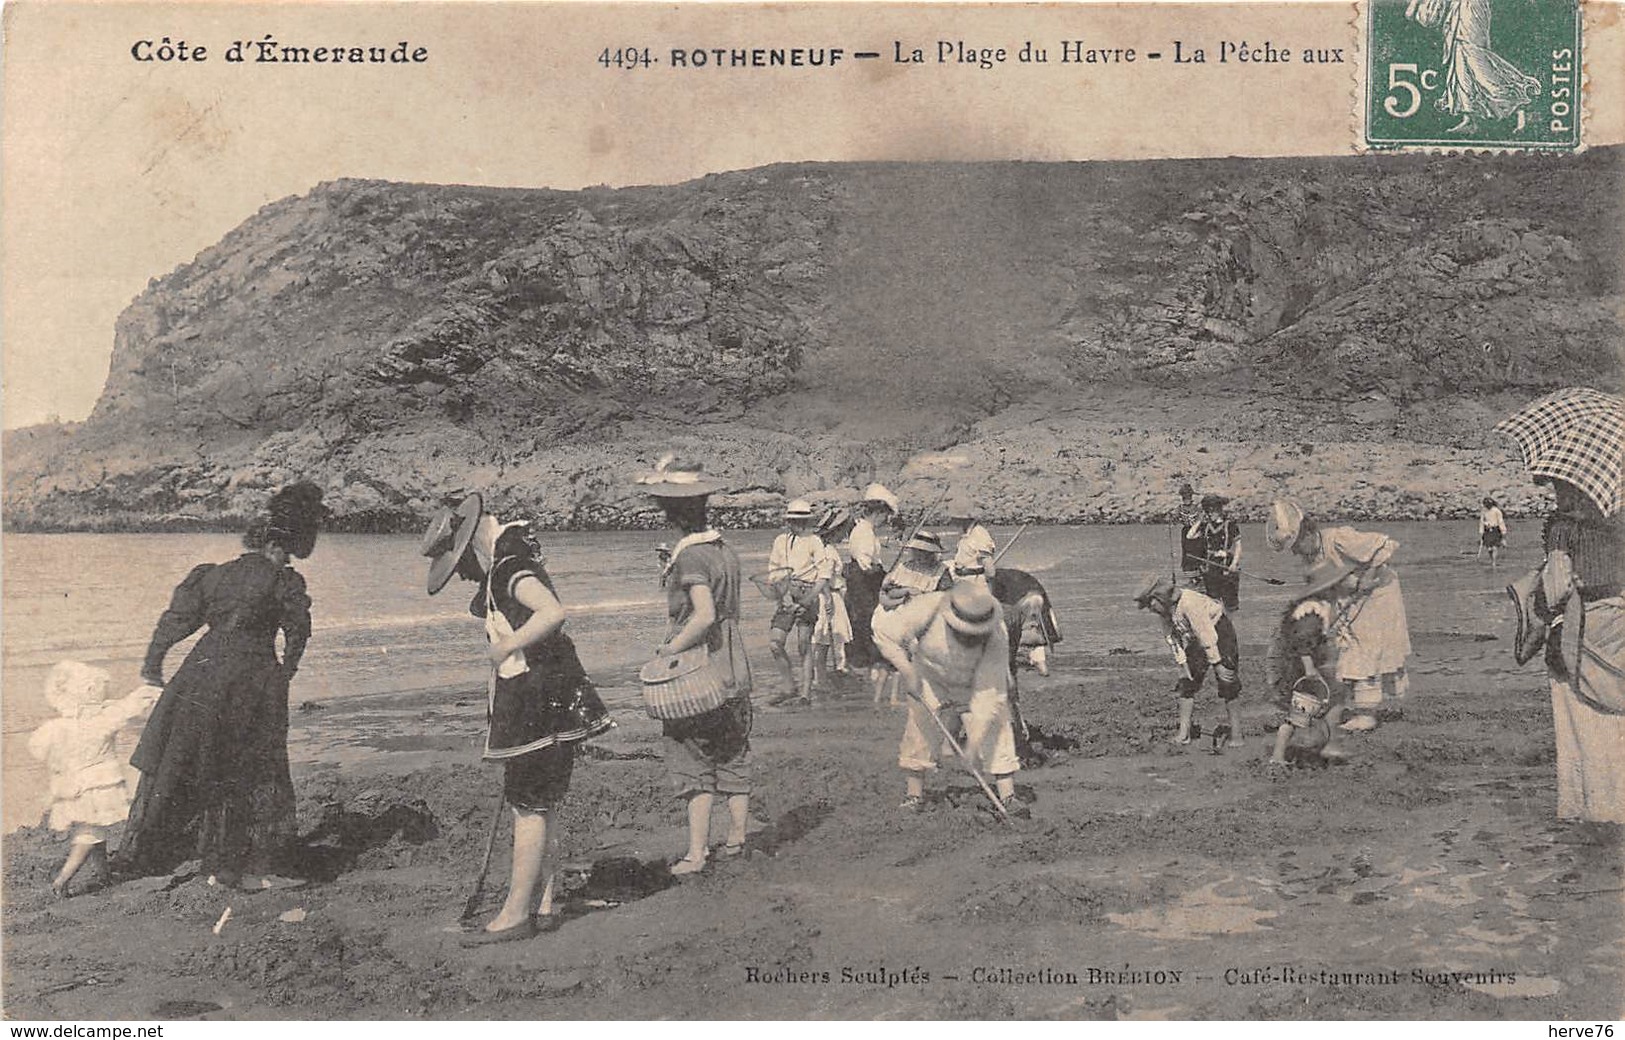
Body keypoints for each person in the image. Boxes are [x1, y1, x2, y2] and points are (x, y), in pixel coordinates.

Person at [116, 483, 326, 890]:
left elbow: (174, 624)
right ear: (284, 547)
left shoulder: (213, 575)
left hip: (200, 671)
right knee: (244, 766)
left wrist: (152, 665)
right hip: (250, 678)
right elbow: (297, 633)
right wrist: (285, 673)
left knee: (179, 758)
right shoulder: (285, 581)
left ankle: (146, 854)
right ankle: (234, 862)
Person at [423, 494, 612, 944]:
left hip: (536, 700)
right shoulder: (511, 556)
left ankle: (514, 915)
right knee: (542, 801)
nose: (463, 575)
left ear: (470, 544)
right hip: (554, 696)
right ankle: (543, 902)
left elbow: (553, 612)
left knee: (528, 804)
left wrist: (506, 647)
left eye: (460, 565)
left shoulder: (507, 567)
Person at [637, 457, 754, 873]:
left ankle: (696, 853)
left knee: (691, 758)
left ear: (671, 511)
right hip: (733, 661)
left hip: (698, 669)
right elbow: (720, 607)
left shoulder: (690, 558)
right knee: (732, 750)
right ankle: (738, 838)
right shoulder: (722, 549)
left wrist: (669, 651)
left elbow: (702, 615)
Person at [1520, 477, 1625, 822]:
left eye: (1556, 486)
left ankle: (1588, 809)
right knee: (1615, 712)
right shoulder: (1619, 519)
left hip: (1579, 632)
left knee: (1578, 720)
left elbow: (1557, 588)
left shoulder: (1563, 528)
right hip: (1618, 626)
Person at [873, 582, 1023, 815]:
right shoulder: (925, 609)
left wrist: (972, 747)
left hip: (974, 677)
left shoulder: (997, 634)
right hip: (929, 672)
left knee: (997, 724)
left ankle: (1008, 796)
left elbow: (991, 694)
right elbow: (884, 636)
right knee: (920, 727)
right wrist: (908, 671)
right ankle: (914, 796)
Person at [1267, 500, 1413, 732]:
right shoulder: (1312, 557)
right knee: (1350, 646)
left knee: (1366, 647)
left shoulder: (1338, 539)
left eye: (1295, 545)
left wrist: (1368, 576)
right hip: (1353, 599)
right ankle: (1361, 707)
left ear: (1308, 533)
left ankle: (1367, 715)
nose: (1294, 552)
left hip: (1379, 595)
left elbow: (1382, 544)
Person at [28, 663, 161, 896]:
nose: (106, 693)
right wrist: (151, 691)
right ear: (90, 691)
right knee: (89, 836)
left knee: (95, 830)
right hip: (99, 786)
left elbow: (38, 748)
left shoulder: (63, 725)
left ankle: (104, 875)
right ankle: (62, 880)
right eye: (102, 689)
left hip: (76, 787)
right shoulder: (102, 721)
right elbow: (130, 708)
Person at [1133, 574, 1243, 748]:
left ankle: (1237, 735)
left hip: (1219, 631)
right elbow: (1172, 640)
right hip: (1195, 638)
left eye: (1150, 604)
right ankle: (1184, 734)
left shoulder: (1190, 603)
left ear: (1160, 597)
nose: (1150, 609)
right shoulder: (1165, 613)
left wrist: (1217, 663)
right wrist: (1183, 665)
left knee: (1227, 680)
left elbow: (1207, 635)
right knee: (1186, 683)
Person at [1406, 0, 1541, 134]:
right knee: (1460, 59)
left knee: (1475, 59)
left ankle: (1519, 100)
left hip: (1472, 7)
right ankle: (1470, 119)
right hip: (1459, 8)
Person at [1266, 564, 1353, 767]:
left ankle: (1327, 744)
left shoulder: (1317, 606)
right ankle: (1279, 755)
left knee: (1317, 706)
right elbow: (1302, 642)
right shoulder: (1311, 611)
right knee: (1302, 711)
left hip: (1299, 663)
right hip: (1297, 666)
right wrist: (1310, 669)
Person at [873, 531, 951, 706]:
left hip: (926, 619)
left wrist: (924, 596)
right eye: (917, 552)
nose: (920, 556)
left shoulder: (941, 572)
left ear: (933, 553)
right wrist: (907, 591)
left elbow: (946, 597)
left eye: (925, 552)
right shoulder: (904, 567)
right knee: (891, 656)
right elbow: (888, 592)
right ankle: (880, 699)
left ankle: (913, 695)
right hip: (897, 615)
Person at [766, 499, 828, 705]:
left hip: (807, 591)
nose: (795, 525)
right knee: (775, 643)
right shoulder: (780, 541)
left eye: (800, 521)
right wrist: (780, 592)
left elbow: (823, 575)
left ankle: (805, 694)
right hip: (785, 591)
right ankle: (788, 685)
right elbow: (773, 571)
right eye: (792, 521)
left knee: (804, 644)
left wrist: (809, 600)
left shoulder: (814, 541)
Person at [844, 484, 898, 678]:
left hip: (860, 582)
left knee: (862, 621)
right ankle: (867, 664)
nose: (886, 520)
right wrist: (885, 576)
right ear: (877, 512)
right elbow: (866, 566)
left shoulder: (863, 530)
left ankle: (864, 662)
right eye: (885, 515)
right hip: (863, 584)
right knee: (867, 621)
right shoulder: (865, 532)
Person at [810, 508, 854, 690]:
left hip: (831, 595)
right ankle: (820, 679)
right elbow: (824, 576)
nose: (845, 534)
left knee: (826, 638)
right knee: (825, 638)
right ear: (835, 530)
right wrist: (828, 599)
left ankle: (820, 677)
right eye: (843, 530)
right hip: (829, 596)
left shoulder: (825, 548)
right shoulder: (827, 551)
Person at [1198, 494, 1242, 613]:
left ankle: (1229, 628)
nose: (1209, 514)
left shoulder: (1230, 525)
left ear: (1219, 510)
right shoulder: (1206, 526)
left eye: (1212, 511)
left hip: (1226, 565)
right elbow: (1190, 535)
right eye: (1207, 511)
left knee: (1230, 603)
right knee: (1212, 601)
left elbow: (1238, 546)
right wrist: (1199, 521)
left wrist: (1234, 563)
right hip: (1210, 566)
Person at [947, 496, 997, 584]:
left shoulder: (979, 533)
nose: (952, 521)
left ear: (962, 519)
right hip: (962, 580)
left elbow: (989, 569)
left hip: (974, 582)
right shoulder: (966, 534)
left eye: (954, 518)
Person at [1175, 483, 1205, 586]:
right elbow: (1174, 520)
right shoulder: (1180, 508)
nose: (1186, 498)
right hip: (1187, 532)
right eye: (1185, 496)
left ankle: (1198, 576)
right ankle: (1192, 577)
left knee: (1198, 553)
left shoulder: (1196, 508)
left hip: (1196, 532)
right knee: (1188, 554)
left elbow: (1201, 520)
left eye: (1187, 496)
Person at [1479, 497, 1507, 568]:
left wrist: (1503, 531)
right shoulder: (1484, 511)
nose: (1487, 506)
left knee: (1494, 547)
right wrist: (1481, 531)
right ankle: (1492, 560)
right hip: (1487, 530)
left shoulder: (1496, 511)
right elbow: (1481, 521)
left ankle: (1494, 562)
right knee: (1489, 548)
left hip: (1495, 530)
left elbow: (1501, 521)